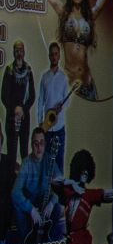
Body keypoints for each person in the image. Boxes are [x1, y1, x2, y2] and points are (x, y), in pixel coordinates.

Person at [36, 40, 69, 171]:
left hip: (60, 127)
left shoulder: (64, 78)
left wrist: (62, 107)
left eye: (56, 54)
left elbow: (67, 101)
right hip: (47, 128)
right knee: (46, 162)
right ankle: (46, 191)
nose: (54, 57)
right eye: (52, 54)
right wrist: (40, 122)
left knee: (59, 162)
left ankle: (59, 191)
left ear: (59, 56)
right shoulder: (45, 77)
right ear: (49, 56)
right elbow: (41, 101)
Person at [3, 40, 33, 166]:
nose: (19, 53)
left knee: (24, 152)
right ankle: (10, 183)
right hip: (11, 118)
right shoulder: (9, 70)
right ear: (13, 52)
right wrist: (14, 109)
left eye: (21, 50)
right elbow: (4, 96)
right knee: (11, 153)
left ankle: (24, 183)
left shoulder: (29, 71)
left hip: (24, 118)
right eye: (16, 50)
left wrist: (23, 109)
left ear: (24, 52)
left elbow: (32, 96)